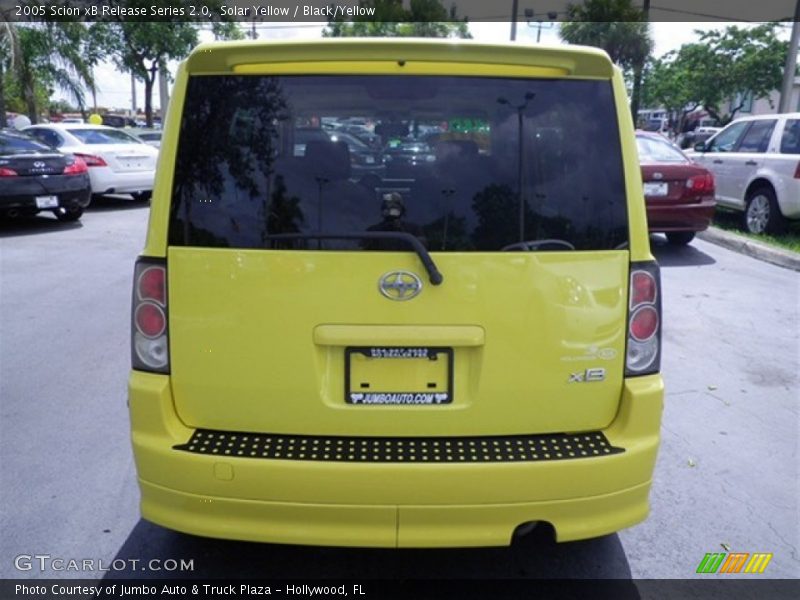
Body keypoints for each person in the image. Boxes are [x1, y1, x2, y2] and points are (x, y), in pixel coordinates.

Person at [363, 192, 427, 250]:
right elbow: (363, 250)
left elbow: (423, 248)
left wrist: (401, 230)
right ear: (383, 210)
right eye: (387, 207)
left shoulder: (414, 230)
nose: (390, 210)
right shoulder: (372, 231)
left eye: (394, 207)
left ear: (402, 209)